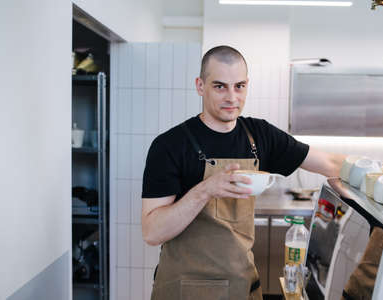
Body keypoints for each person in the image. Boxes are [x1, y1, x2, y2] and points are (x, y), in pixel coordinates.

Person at [141, 45, 346, 300]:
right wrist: (205, 190)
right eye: (220, 86)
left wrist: (381, 174)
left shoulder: (259, 136)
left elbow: (328, 162)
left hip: (243, 286)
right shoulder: (170, 145)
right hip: (185, 290)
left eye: (239, 86)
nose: (231, 97)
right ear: (200, 86)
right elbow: (152, 232)